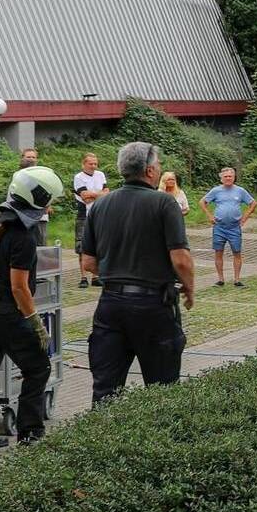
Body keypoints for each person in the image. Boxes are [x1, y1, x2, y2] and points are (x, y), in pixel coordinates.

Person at [82, 141, 194, 402]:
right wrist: (189, 287)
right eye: (158, 165)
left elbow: (88, 263)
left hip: (110, 305)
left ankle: (99, 438)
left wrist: (116, 273)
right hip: (154, 304)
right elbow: (181, 260)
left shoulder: (100, 205)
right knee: (161, 391)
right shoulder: (165, 203)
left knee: (106, 391)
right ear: (150, 171)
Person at [0, 167, 64, 452]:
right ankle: (30, 433)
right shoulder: (24, 236)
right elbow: (19, 286)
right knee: (38, 367)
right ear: (38, 199)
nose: (50, 206)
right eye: (49, 201)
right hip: (5, 310)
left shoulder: (4, 226)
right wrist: (34, 322)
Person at [199, 166, 256, 287]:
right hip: (219, 227)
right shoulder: (216, 191)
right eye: (225, 176)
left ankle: (237, 279)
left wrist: (245, 217)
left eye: (230, 176)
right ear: (221, 179)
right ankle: (220, 279)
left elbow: (253, 203)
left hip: (234, 227)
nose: (228, 178)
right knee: (218, 252)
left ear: (234, 177)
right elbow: (202, 202)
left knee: (237, 252)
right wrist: (209, 215)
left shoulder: (240, 191)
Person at [71, 152, 107, 289]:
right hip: (83, 214)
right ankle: (83, 277)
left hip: (99, 213)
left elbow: (107, 193)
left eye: (95, 164)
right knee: (82, 245)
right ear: (84, 164)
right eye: (90, 163)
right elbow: (85, 197)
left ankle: (96, 276)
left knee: (98, 244)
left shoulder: (101, 175)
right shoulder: (79, 177)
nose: (93, 166)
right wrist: (99, 195)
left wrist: (94, 195)